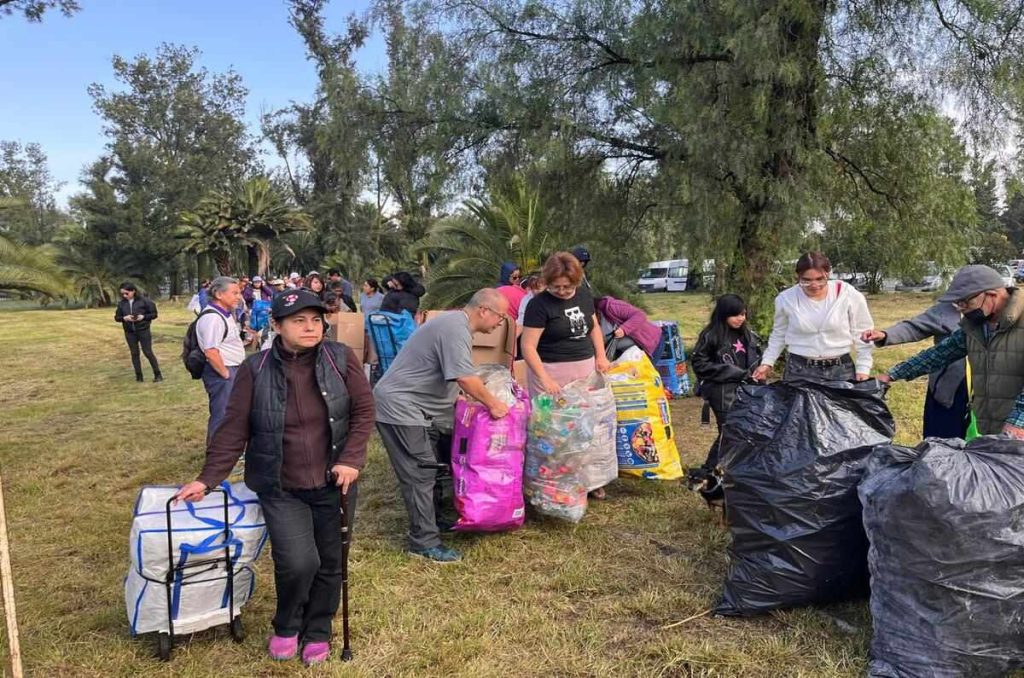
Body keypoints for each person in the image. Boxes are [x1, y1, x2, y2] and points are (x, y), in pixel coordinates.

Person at [174, 287, 374, 666]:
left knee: (331, 561)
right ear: (277, 325)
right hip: (282, 484)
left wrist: (351, 459)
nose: (310, 327)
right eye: (299, 321)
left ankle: (318, 630)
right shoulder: (256, 368)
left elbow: (364, 411)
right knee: (298, 561)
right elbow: (233, 428)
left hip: (336, 481)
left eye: (316, 320)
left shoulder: (340, 358)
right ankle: (287, 624)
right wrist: (208, 478)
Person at [373, 289, 511, 563]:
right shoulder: (454, 328)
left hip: (420, 408)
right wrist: (494, 404)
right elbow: (464, 377)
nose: (500, 323)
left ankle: (434, 518)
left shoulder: (454, 325)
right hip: (401, 408)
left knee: (434, 467)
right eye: (500, 316)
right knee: (419, 473)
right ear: (484, 310)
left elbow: (442, 372)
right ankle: (423, 542)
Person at [879, 265, 1024, 438]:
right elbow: (939, 354)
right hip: (992, 427)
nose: (961, 309)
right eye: (958, 303)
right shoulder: (975, 327)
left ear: (992, 295)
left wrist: (1016, 426)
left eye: (966, 302)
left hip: (1016, 430)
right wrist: (893, 374)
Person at [752, 252, 874, 383]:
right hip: (799, 370)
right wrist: (767, 363)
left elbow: (863, 333)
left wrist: (863, 367)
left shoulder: (847, 294)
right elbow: (779, 334)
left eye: (820, 279)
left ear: (828, 273)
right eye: (806, 280)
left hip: (840, 370)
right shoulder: (785, 299)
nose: (814, 285)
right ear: (798, 276)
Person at [861, 300, 968, 438]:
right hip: (948, 391)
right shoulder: (946, 311)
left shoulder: (993, 322)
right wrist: (885, 335)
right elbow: (932, 349)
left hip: (983, 397)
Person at [521, 251, 610, 398]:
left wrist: (601, 356)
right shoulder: (538, 305)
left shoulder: (584, 295)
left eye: (567, 286)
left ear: (576, 281)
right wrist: (545, 378)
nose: (561, 291)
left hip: (585, 369)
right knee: (552, 418)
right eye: (555, 286)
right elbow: (528, 346)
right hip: (551, 371)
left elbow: (594, 328)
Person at [690, 294, 763, 472]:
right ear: (723, 314)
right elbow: (700, 364)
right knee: (730, 432)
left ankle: (738, 469)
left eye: (743, 314)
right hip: (722, 393)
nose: (740, 319)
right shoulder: (711, 335)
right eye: (735, 315)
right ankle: (709, 469)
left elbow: (757, 361)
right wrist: (733, 373)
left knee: (746, 430)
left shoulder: (748, 335)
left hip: (748, 391)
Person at [196, 276, 246, 443]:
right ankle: (217, 455)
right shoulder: (212, 318)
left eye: (239, 292)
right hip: (222, 371)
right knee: (222, 414)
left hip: (232, 369)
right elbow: (211, 351)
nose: (238, 296)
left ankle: (229, 450)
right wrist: (226, 374)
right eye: (234, 293)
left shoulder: (225, 314)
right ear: (218, 294)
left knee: (232, 413)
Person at [114, 282, 162, 382]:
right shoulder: (122, 304)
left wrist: (143, 317)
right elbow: (117, 318)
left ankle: (158, 374)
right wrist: (124, 318)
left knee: (148, 352)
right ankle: (139, 376)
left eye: (126, 293)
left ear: (133, 291)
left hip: (143, 330)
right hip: (129, 332)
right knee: (134, 353)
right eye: (122, 294)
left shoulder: (145, 301)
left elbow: (154, 314)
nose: (124, 296)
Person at [594, 295, 663, 362]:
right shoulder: (591, 326)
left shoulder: (610, 306)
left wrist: (624, 329)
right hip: (629, 353)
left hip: (651, 344)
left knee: (646, 373)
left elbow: (640, 315)